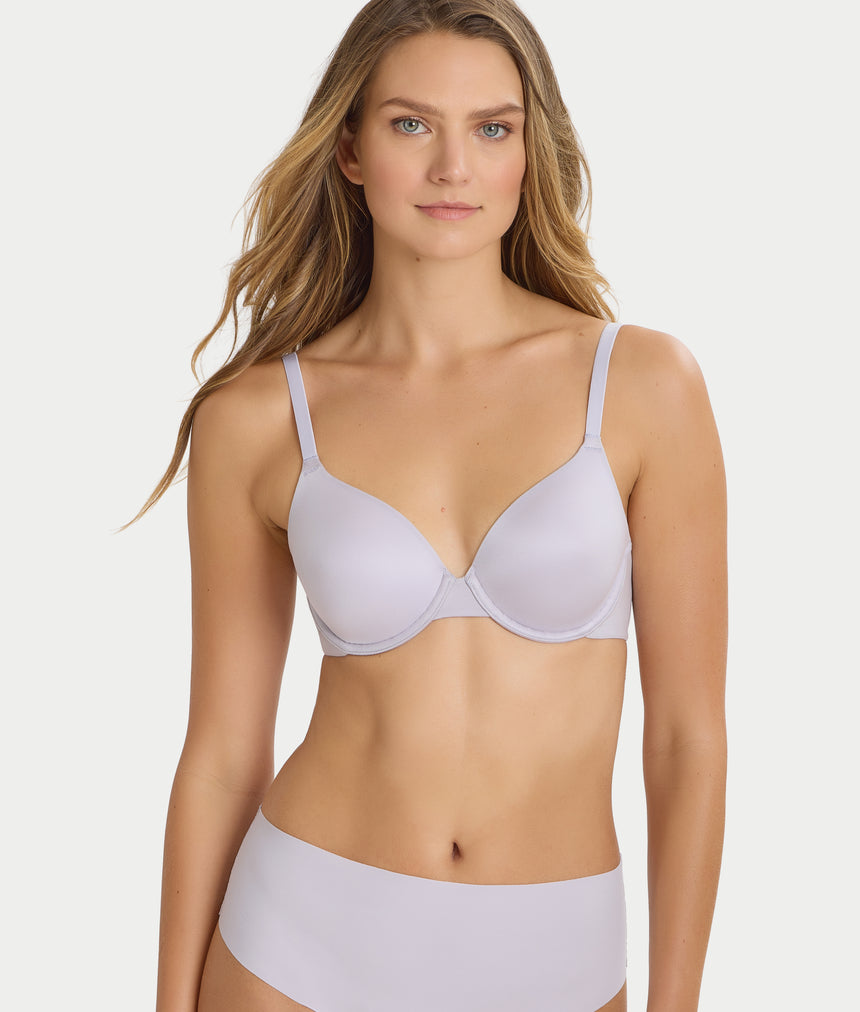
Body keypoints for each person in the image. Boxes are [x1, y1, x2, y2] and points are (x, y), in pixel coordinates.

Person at [148, 1, 727, 1009]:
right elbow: (222, 756)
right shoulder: (259, 418)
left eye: (491, 128)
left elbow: (686, 738)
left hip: (554, 956)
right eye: (411, 124)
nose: (453, 167)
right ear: (349, 150)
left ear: (529, 153)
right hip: (300, 937)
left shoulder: (639, 386)